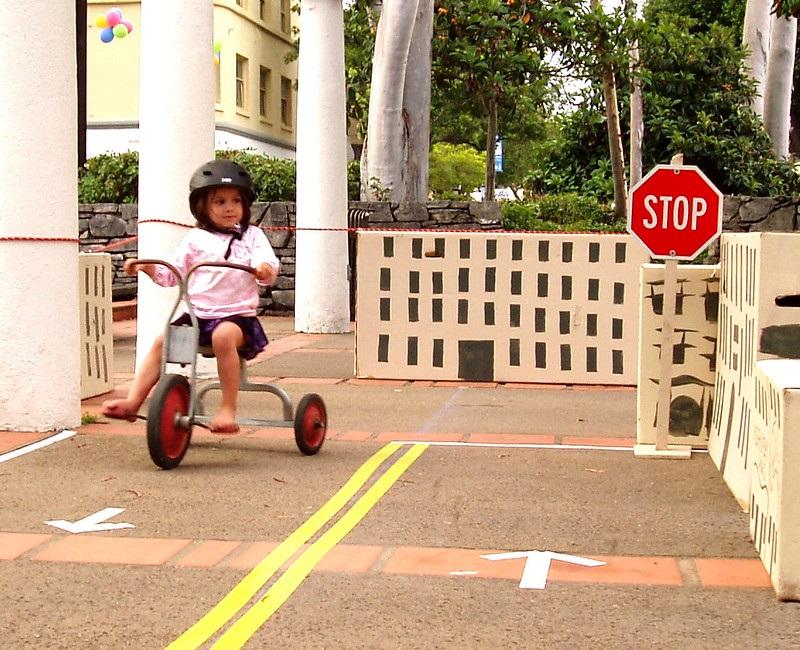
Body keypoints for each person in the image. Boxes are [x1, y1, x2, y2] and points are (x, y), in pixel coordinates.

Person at [102, 159, 280, 433]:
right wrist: (149, 267)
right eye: (219, 202)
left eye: (235, 201)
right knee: (163, 340)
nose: (229, 207)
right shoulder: (195, 239)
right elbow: (172, 274)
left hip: (237, 321)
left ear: (245, 205)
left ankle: (227, 409)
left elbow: (268, 266)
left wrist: (264, 269)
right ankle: (133, 401)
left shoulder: (252, 236)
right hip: (198, 319)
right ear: (202, 207)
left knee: (223, 337)